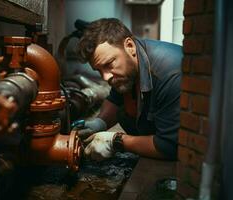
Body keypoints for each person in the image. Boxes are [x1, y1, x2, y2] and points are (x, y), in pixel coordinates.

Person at [76, 18, 183, 161]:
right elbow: (115, 99)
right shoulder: (128, 68)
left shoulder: (170, 75)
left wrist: (116, 141)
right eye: (98, 70)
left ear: (130, 46)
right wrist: (100, 123)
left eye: (108, 64)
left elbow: (169, 146)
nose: (105, 77)